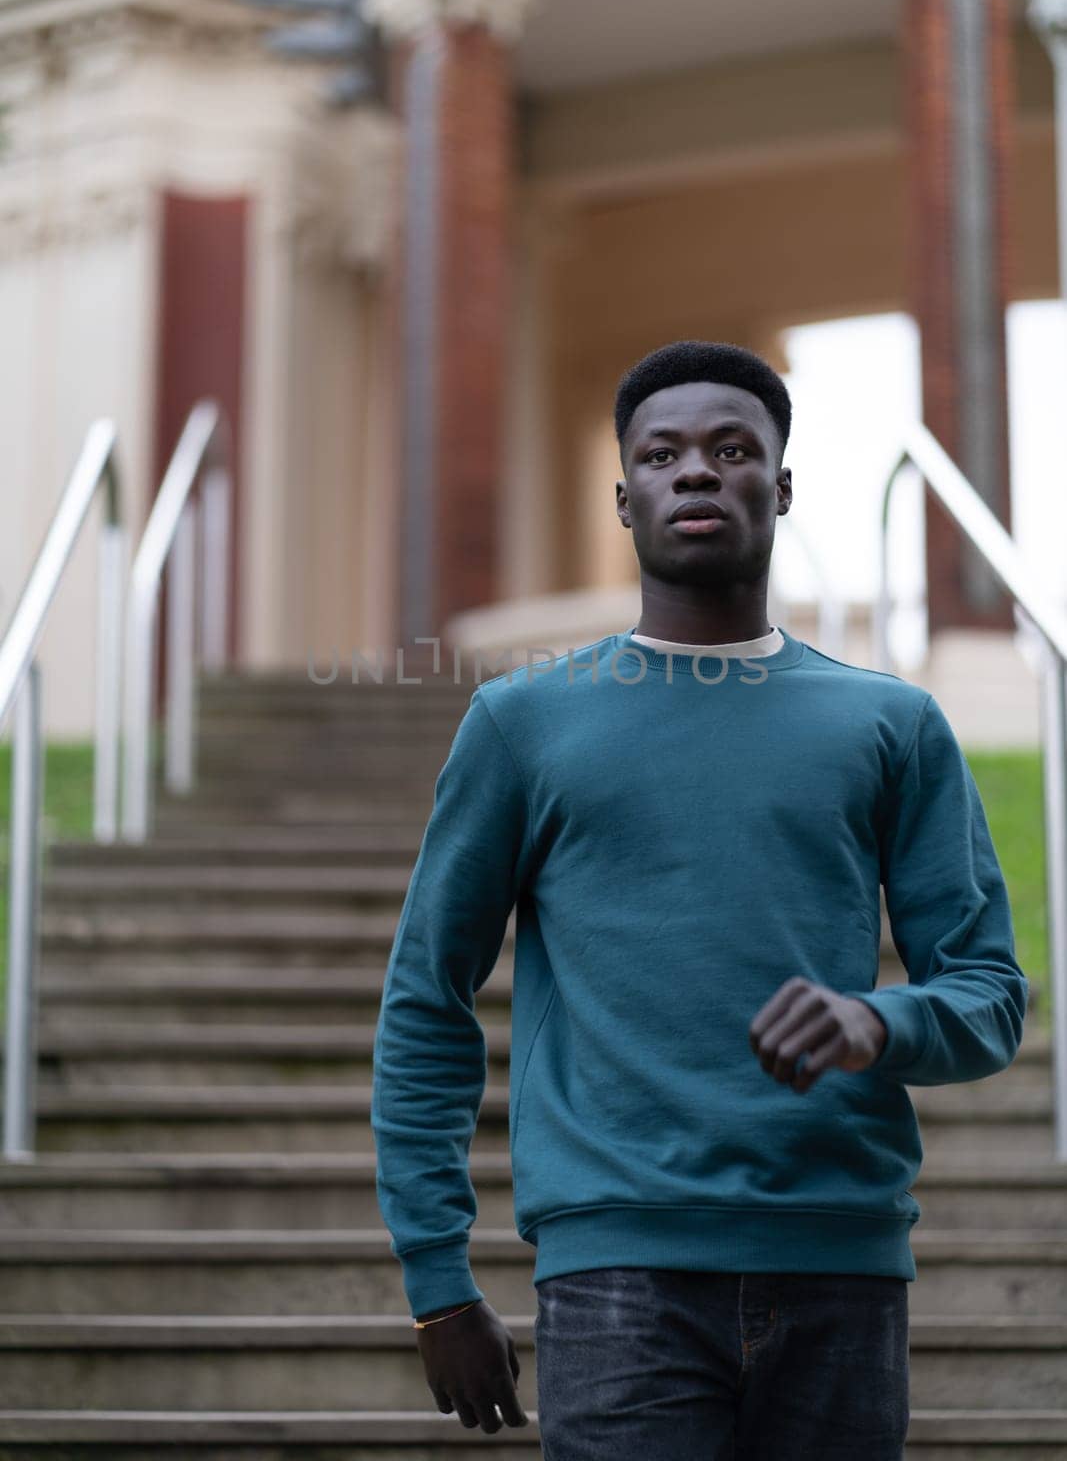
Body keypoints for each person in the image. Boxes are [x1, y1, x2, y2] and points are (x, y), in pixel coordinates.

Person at [371, 339, 1028, 1459]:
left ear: (778, 488)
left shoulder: (888, 724)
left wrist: (875, 1019)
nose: (694, 472)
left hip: (841, 1268)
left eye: (731, 450)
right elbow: (427, 998)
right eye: (660, 453)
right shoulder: (524, 724)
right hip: (617, 1279)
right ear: (622, 495)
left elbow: (989, 994)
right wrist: (438, 1282)